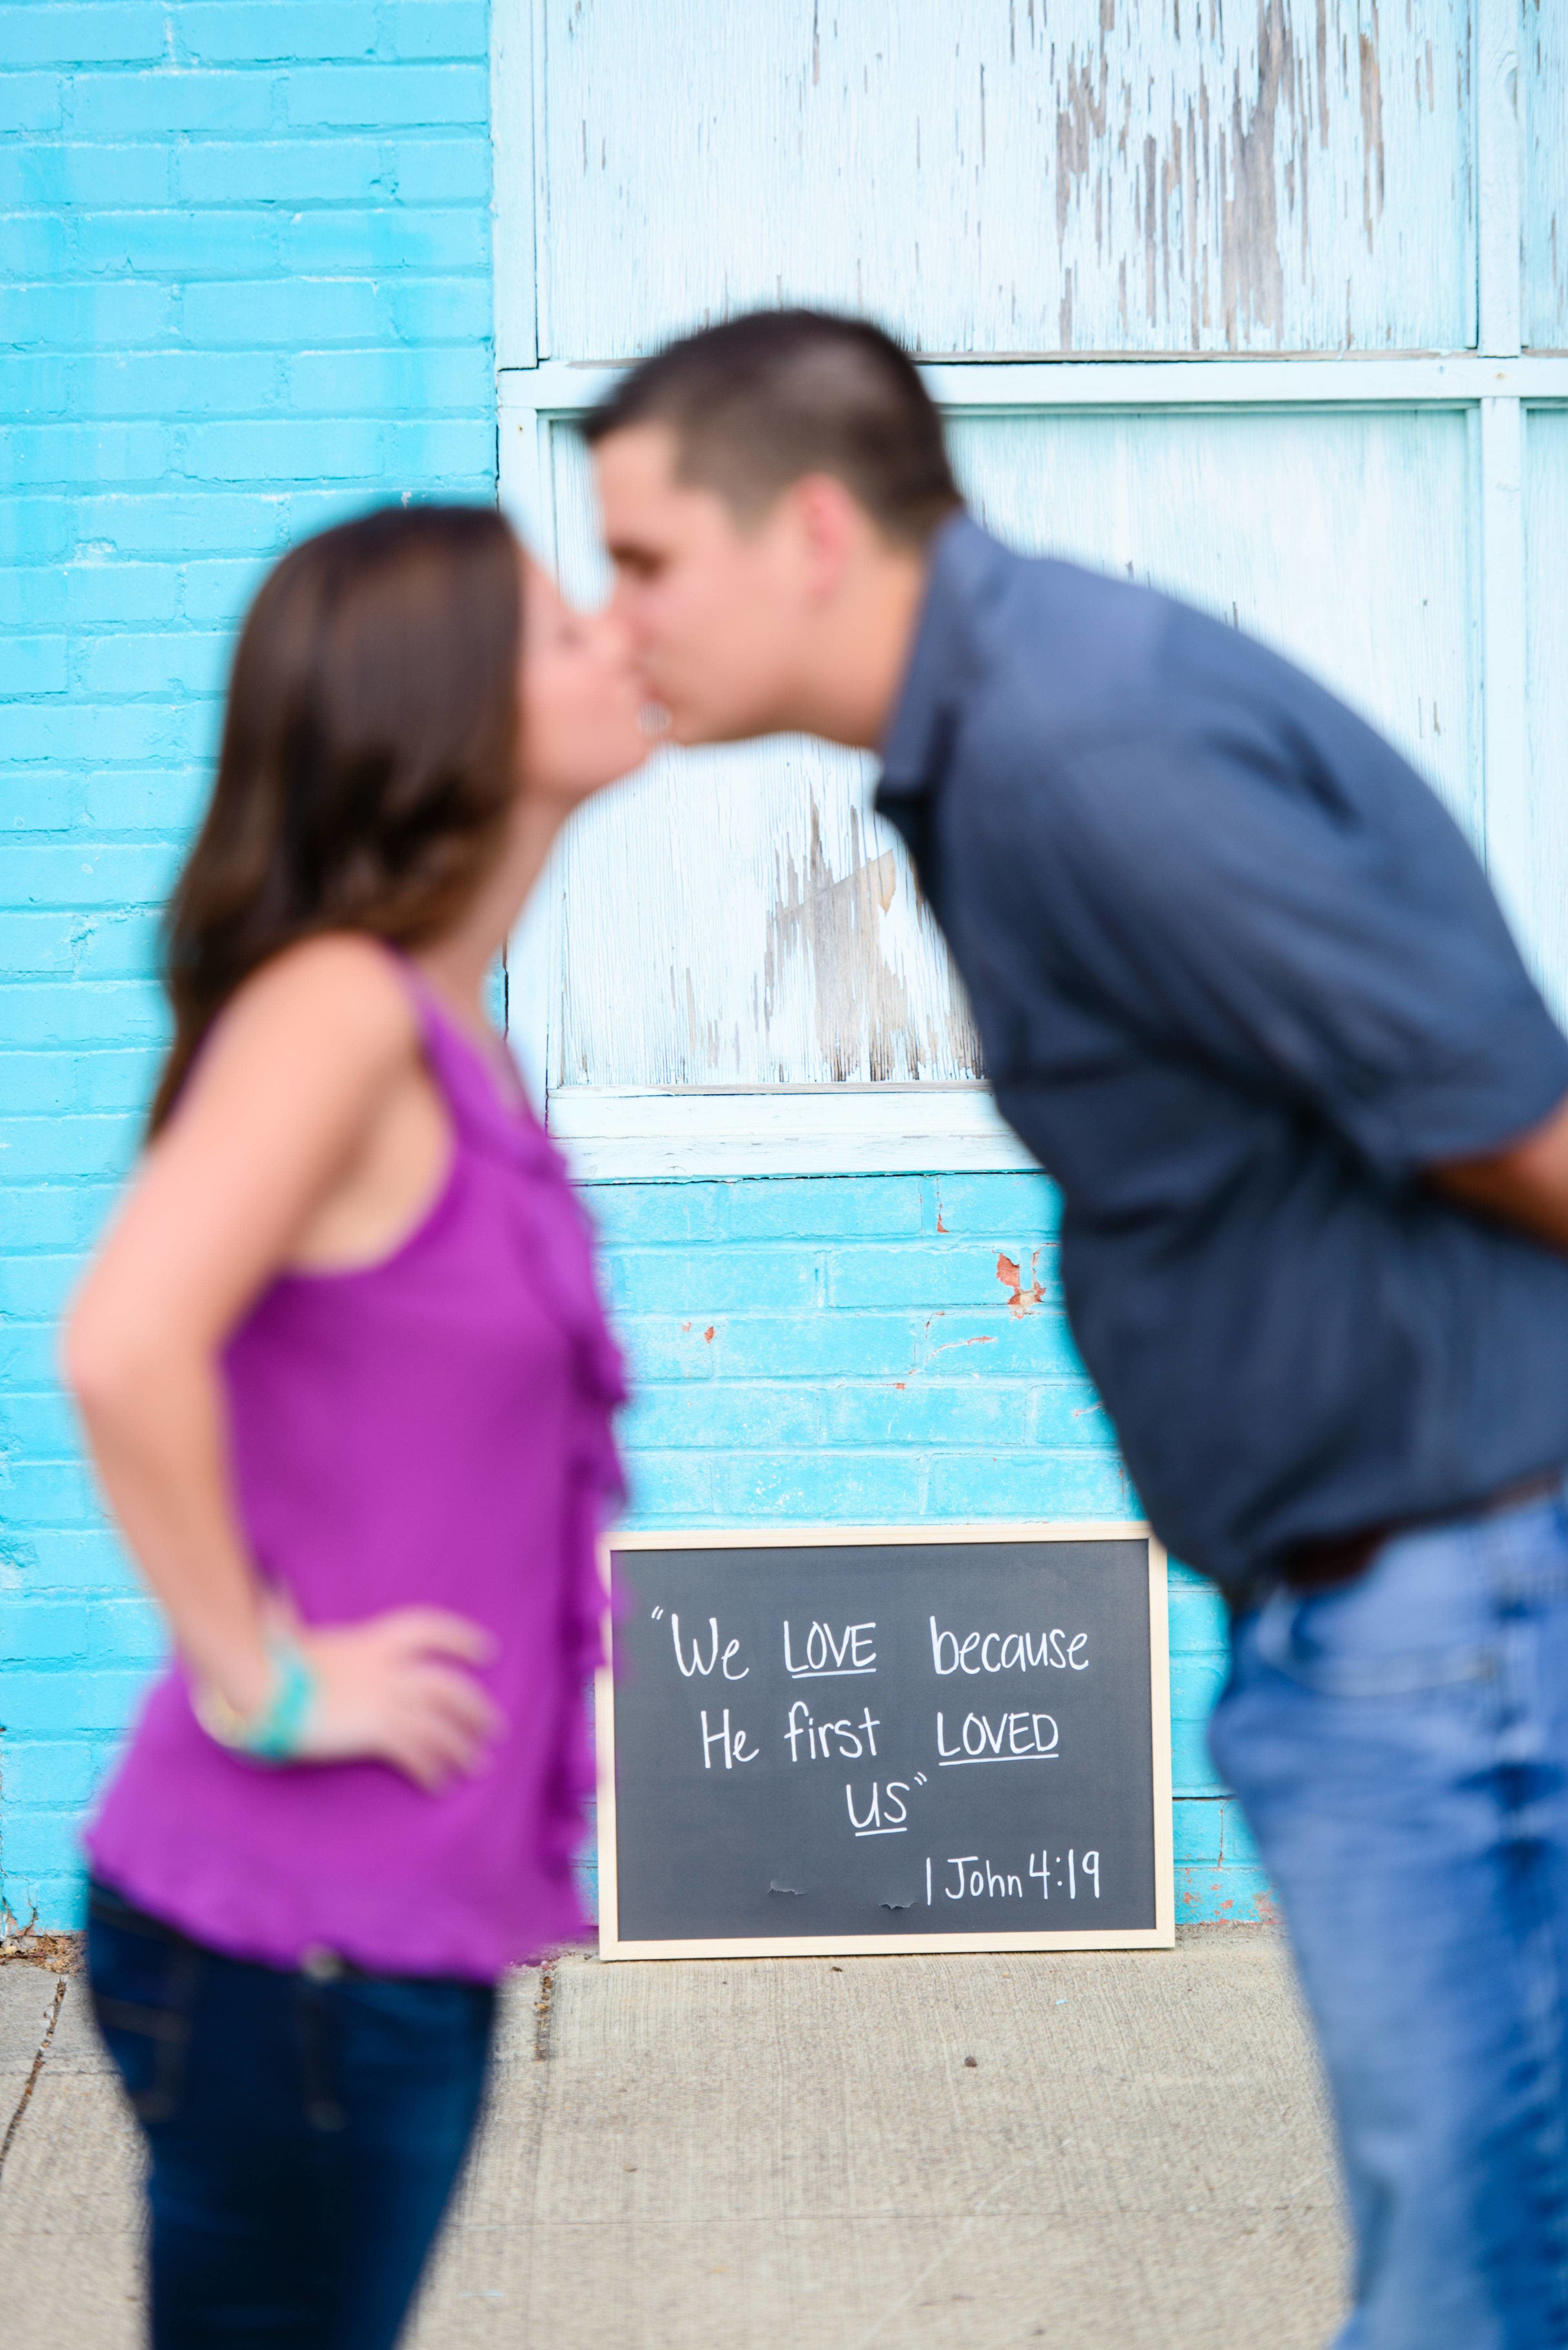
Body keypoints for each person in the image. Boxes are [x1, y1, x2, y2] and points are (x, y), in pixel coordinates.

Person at [583, 308, 1568, 2350]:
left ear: (819, 533)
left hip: (1450, 1604)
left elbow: (1509, 1117)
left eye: (651, 559)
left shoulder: (1078, 748)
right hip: (1397, 1595)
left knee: (1469, 2284)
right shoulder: (1014, 733)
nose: (624, 617)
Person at [65, 503, 648, 2349]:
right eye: (565, 632)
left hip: (393, 1926)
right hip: (293, 1933)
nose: (617, 646)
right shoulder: (334, 1009)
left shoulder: (447, 1029)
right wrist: (268, 1679)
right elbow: (121, 1341)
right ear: (450, 713)